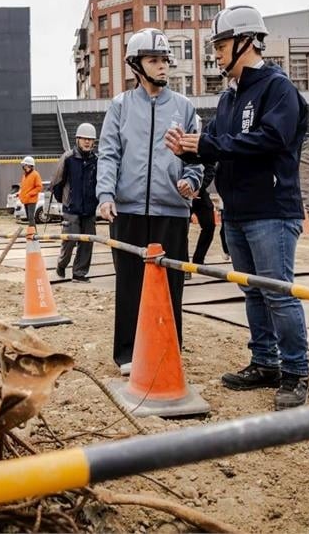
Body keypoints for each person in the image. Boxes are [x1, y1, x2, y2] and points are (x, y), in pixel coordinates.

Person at [166, 5, 309, 410]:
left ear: (247, 42)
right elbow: (214, 146)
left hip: (271, 208)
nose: (216, 53)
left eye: (222, 44)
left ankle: (296, 371)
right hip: (239, 211)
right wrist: (189, 154)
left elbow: (271, 139)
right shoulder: (229, 98)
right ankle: (265, 362)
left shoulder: (277, 89)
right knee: (252, 292)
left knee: (279, 293)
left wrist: (207, 145)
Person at [97, 27, 203, 372]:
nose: (162, 67)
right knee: (129, 283)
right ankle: (128, 353)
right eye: (154, 60)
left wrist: (190, 179)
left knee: (171, 285)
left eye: (164, 60)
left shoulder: (184, 107)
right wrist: (106, 194)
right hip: (127, 211)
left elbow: (196, 155)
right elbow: (109, 154)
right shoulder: (120, 106)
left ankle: (168, 347)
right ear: (136, 65)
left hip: (171, 211)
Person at [51, 122, 99, 282]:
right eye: (84, 138)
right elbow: (57, 183)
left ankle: (79, 273)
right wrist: (66, 202)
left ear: (94, 142)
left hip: (89, 211)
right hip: (71, 209)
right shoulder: (68, 158)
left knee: (87, 243)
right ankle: (61, 265)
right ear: (77, 139)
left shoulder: (96, 161)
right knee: (69, 242)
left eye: (90, 139)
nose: (87, 142)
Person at [187, 163, 217, 279]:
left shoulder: (203, 151)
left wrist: (199, 189)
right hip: (182, 194)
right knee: (182, 230)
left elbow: (210, 170)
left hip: (200, 193)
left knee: (210, 226)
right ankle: (185, 267)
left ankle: (198, 260)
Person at [18, 156, 43, 225]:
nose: (23, 166)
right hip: (26, 199)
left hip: (31, 200)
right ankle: (31, 232)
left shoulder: (35, 174)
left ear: (29, 165)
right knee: (29, 218)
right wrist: (20, 195)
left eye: (24, 164)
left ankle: (33, 233)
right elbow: (23, 187)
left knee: (31, 217)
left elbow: (39, 187)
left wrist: (29, 194)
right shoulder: (25, 175)